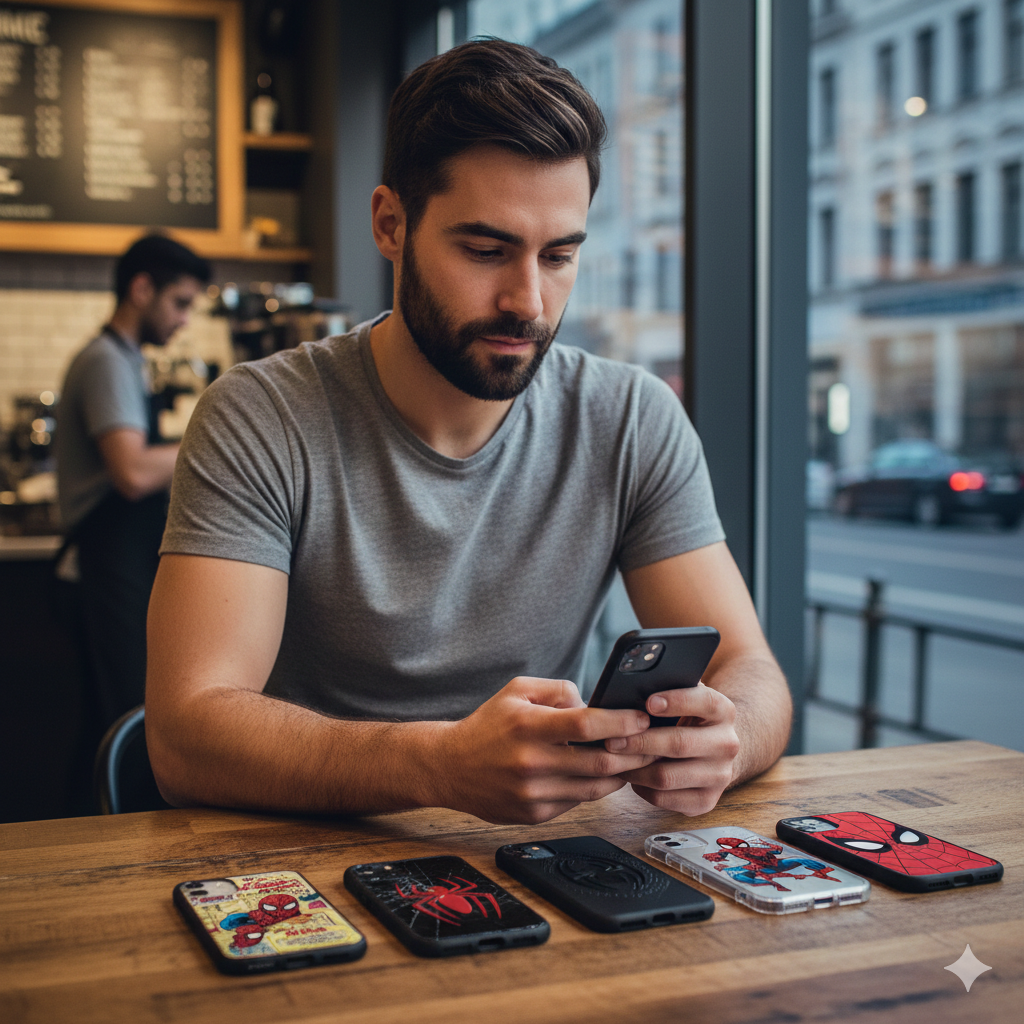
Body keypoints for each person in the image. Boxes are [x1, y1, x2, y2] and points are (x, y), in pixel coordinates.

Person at [146, 40, 791, 824]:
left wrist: (730, 734)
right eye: (486, 250)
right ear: (391, 224)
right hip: (303, 870)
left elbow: (749, 667)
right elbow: (185, 736)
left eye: (559, 256)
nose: (529, 300)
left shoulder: (630, 417)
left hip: (536, 861)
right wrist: (437, 767)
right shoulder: (261, 416)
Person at [56, 233, 210, 731]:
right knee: (125, 718)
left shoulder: (126, 358)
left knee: (112, 722)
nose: (184, 319)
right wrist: (218, 437)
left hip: (119, 558)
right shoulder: (106, 360)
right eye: (180, 303)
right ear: (141, 288)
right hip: (105, 562)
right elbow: (133, 471)